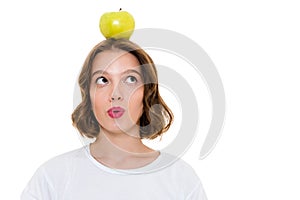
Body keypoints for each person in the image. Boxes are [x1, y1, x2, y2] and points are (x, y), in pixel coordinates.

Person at [21, 38, 207, 199]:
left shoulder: (181, 180)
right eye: (102, 80)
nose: (115, 94)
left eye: (130, 79)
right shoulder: (52, 178)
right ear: (88, 94)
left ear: (147, 92)